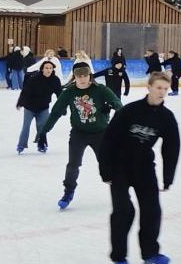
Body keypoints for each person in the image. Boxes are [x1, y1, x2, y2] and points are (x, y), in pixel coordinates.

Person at [100, 71, 181, 264]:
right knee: (124, 211)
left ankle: (151, 253)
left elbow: (171, 148)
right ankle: (119, 256)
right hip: (120, 167)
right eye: (158, 87)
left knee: (152, 210)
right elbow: (108, 139)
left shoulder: (166, 117)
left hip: (144, 167)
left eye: (165, 89)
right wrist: (106, 170)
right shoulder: (130, 111)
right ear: (149, 87)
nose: (162, 92)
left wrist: (168, 176)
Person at [40, 61, 123, 209]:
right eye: (79, 76)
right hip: (79, 134)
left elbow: (118, 104)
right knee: (73, 165)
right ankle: (68, 192)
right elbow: (56, 112)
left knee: (107, 165)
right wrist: (44, 131)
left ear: (90, 75)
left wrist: (120, 119)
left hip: (101, 134)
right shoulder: (69, 92)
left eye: (85, 75)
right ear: (75, 77)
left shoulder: (101, 89)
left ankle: (119, 191)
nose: (83, 79)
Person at [16, 59, 62, 154]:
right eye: (46, 68)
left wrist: (62, 106)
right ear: (42, 69)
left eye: (50, 68)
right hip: (30, 107)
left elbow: (60, 94)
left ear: (53, 69)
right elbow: (25, 91)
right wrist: (20, 102)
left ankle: (41, 144)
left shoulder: (55, 80)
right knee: (26, 126)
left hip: (43, 107)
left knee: (43, 127)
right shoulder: (34, 78)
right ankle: (21, 145)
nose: (48, 70)